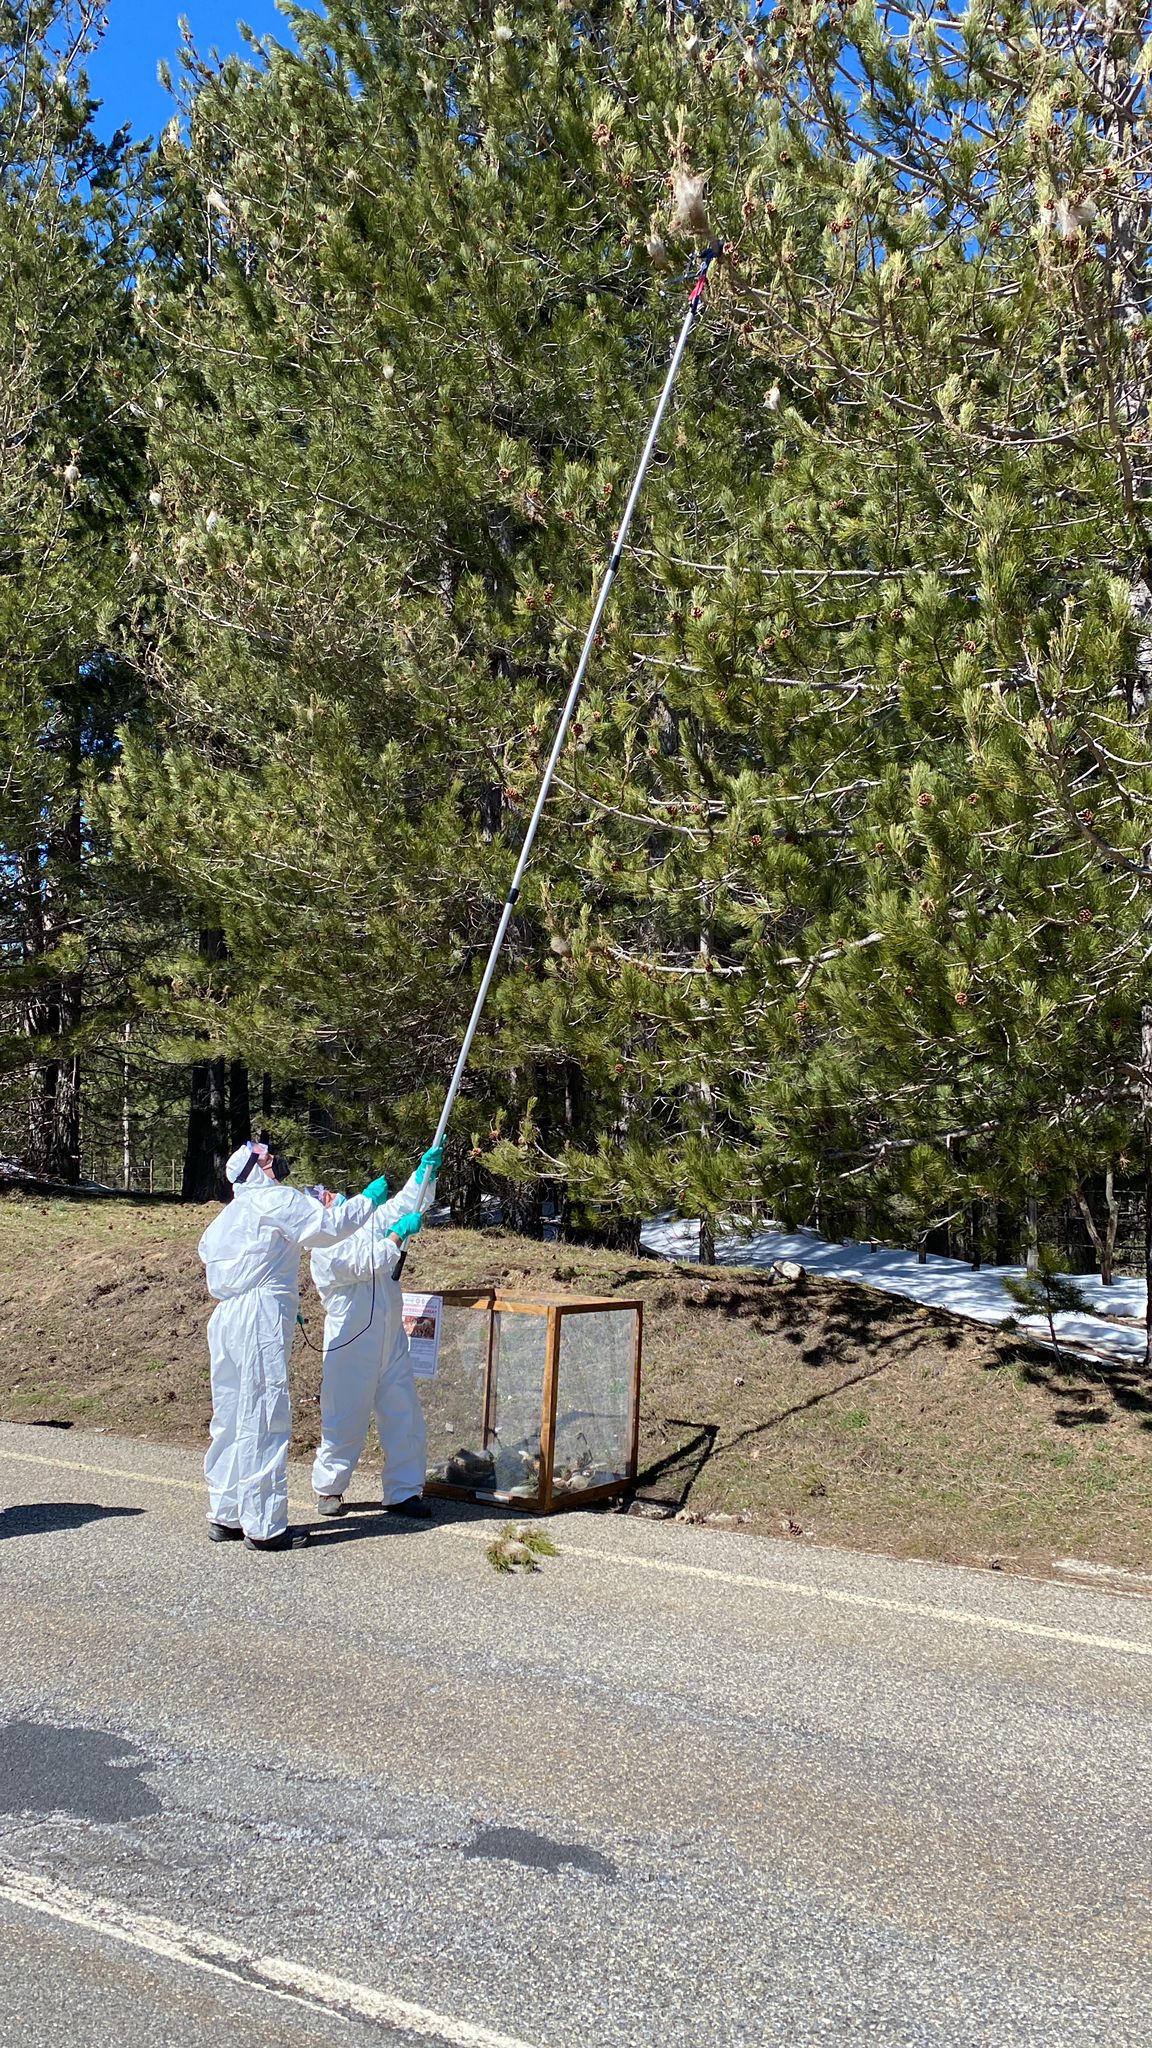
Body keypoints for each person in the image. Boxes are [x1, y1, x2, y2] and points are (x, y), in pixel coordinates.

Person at [198, 1140, 392, 1552]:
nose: (273, 1159)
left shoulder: (228, 1215)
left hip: (227, 1317)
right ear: (253, 1170)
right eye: (264, 1156)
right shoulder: (274, 1199)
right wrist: (366, 1201)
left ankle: (226, 1513)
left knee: (231, 1415)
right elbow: (326, 1228)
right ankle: (264, 1526)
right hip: (259, 1315)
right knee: (263, 1413)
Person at [309, 1141, 444, 1521]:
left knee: (404, 1415)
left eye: (328, 1191)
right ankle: (330, 1488)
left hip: (390, 1340)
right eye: (322, 1198)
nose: (330, 1194)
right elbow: (370, 1262)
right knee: (344, 1418)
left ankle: (404, 1491)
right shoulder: (323, 1251)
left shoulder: (368, 1225)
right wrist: (397, 1237)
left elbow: (406, 1204)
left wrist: (425, 1173)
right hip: (350, 1346)